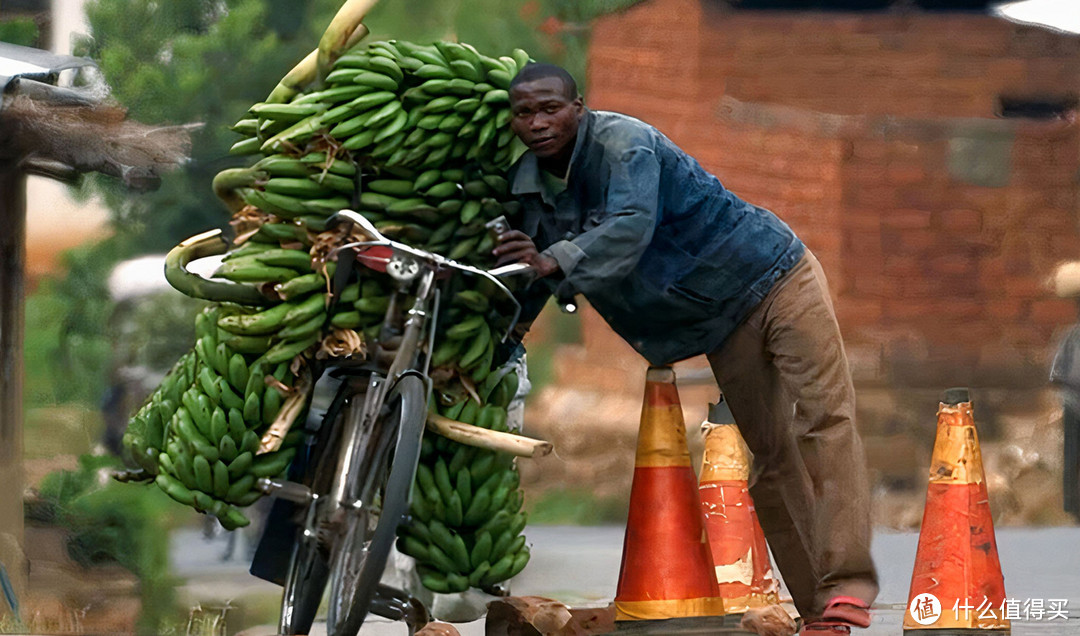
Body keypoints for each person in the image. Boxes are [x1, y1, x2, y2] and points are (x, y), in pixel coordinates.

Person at [493, 63, 878, 635]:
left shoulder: (625, 143)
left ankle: (846, 585)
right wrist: (505, 340)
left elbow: (629, 224)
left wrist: (554, 259)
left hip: (776, 276)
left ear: (580, 106)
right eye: (525, 113)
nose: (539, 123)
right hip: (719, 322)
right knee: (770, 457)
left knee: (825, 420)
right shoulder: (528, 192)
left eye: (551, 108)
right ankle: (821, 614)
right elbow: (530, 276)